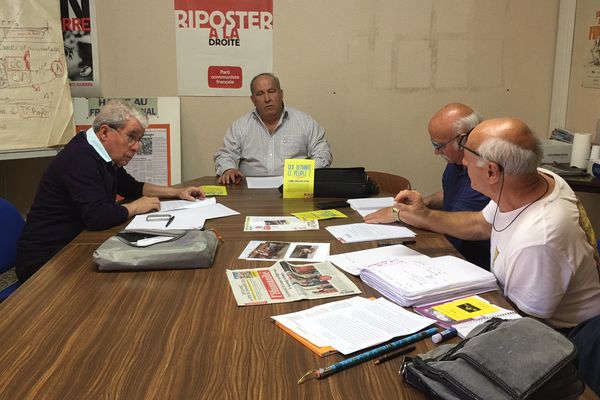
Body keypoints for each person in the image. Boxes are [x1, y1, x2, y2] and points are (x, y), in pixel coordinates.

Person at [390, 117, 600, 393]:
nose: (462, 162)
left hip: (557, 339)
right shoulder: (536, 181)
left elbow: (526, 326)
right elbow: (481, 223)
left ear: (492, 172)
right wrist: (423, 216)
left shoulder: (538, 238)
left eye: (467, 155)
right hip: (517, 309)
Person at [15, 100, 205, 282]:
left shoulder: (101, 154)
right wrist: (136, 207)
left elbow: (133, 187)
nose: (137, 147)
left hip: (77, 244)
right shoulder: (80, 158)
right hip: (46, 261)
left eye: (139, 140)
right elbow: (97, 217)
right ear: (105, 132)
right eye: (131, 137)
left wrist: (177, 192)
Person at [365, 103, 491, 269]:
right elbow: (453, 194)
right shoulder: (455, 162)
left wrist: (403, 214)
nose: (436, 152)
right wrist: (426, 202)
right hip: (448, 247)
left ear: (463, 140)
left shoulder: (485, 171)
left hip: (468, 262)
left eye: (439, 146)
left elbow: (473, 224)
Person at [214, 73, 332, 184]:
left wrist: (305, 173)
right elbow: (225, 154)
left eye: (271, 92)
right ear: (253, 99)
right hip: (250, 193)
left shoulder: (304, 123)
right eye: (260, 94)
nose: (267, 99)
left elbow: (323, 153)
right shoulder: (241, 126)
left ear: (281, 94)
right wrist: (228, 169)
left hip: (295, 189)